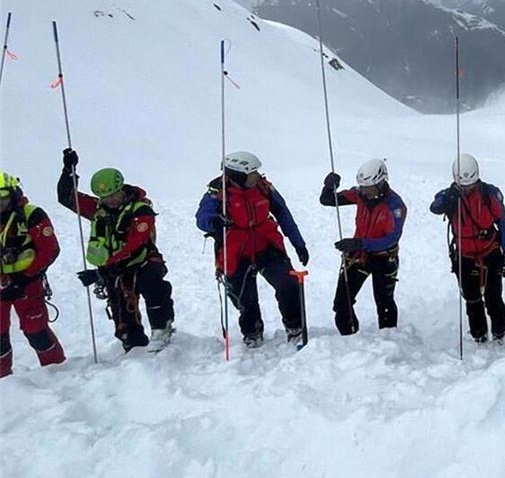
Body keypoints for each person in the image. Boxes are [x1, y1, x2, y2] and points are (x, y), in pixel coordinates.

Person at [59, 149, 175, 352]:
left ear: (121, 189)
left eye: (113, 194)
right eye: (104, 196)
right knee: (122, 313)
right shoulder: (98, 210)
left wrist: (100, 273)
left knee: (154, 286)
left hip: (142, 261)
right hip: (113, 269)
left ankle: (162, 329)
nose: (110, 200)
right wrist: (69, 170)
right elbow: (66, 198)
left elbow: (135, 245)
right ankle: (133, 345)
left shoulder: (141, 210)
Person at [195, 151, 309, 348]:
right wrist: (214, 221)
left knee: (288, 284)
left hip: (267, 245)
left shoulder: (263, 188)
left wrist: (298, 243)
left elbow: (283, 213)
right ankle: (252, 332)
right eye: (252, 173)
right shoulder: (216, 192)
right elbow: (202, 218)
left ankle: (295, 326)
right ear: (238, 175)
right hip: (235, 252)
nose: (257, 176)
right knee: (245, 299)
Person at [430, 154, 505, 344]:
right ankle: (479, 334)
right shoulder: (450, 195)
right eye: (463, 185)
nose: (467, 188)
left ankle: (500, 332)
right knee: (472, 298)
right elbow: (434, 207)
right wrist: (449, 199)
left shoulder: (489, 194)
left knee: (493, 297)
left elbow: (503, 223)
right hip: (464, 255)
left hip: (490, 252)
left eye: (470, 184)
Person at [321, 159, 406, 335]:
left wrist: (360, 243)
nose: (364, 191)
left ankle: (389, 340)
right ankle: (348, 336)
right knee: (341, 302)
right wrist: (329, 186)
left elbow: (391, 239)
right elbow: (328, 200)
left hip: (384, 257)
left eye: (368, 187)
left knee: (384, 301)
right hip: (359, 255)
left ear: (381, 183)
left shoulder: (395, 206)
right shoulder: (359, 194)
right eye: (362, 187)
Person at [0, 173, 65, 377]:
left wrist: (25, 279)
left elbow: (50, 249)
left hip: (28, 282)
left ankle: (58, 373)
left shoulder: (31, 214)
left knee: (36, 331)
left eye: (2, 197)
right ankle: (3, 381)